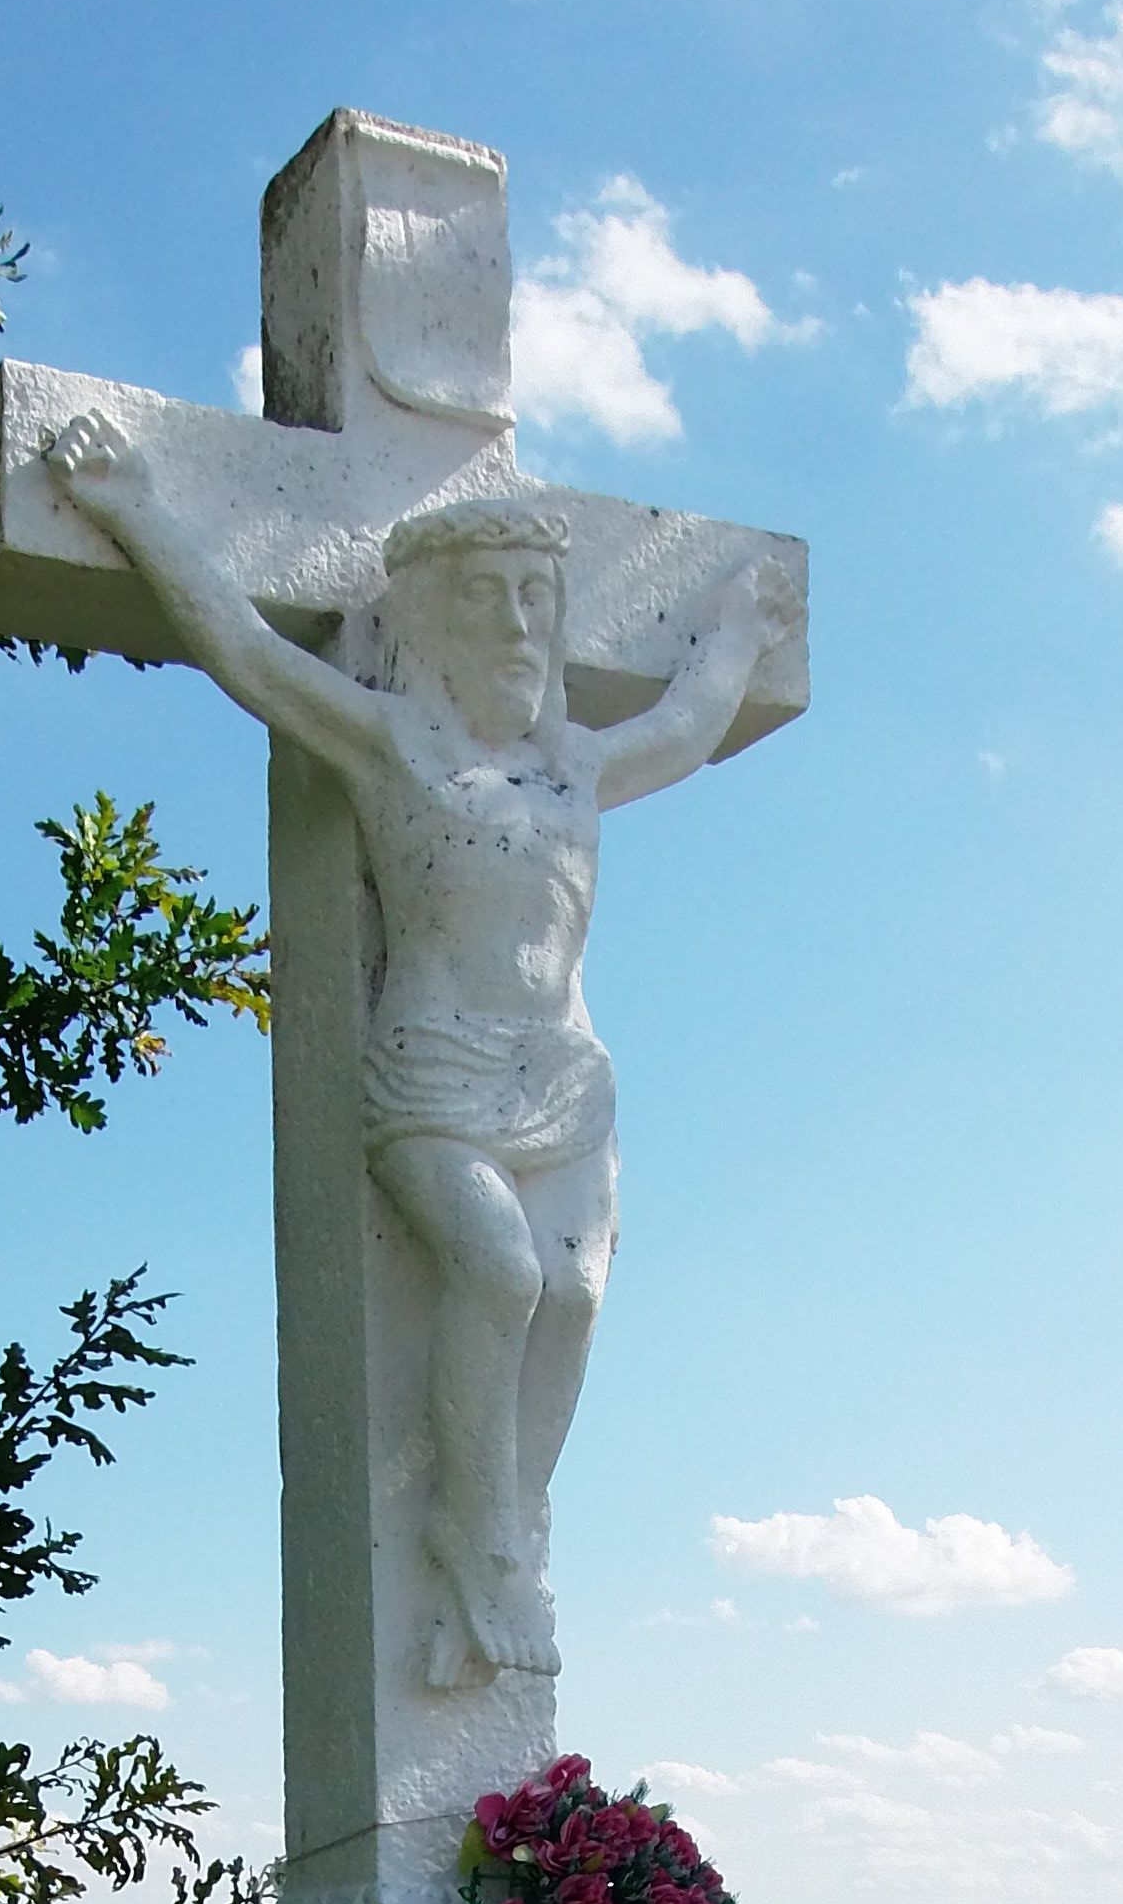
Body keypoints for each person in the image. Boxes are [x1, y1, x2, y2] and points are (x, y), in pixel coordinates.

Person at [43, 412, 791, 1686]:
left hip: (565, 1075)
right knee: (499, 1275)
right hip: (434, 1069)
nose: (517, 624)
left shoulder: (574, 763)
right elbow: (248, 650)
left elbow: (686, 723)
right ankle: (480, 1537)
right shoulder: (397, 742)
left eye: (537, 598)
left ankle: (497, 1540)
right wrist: (136, 508)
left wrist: (730, 633)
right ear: (434, 621)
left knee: (577, 1298)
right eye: (488, 598)